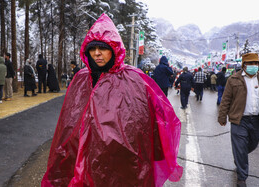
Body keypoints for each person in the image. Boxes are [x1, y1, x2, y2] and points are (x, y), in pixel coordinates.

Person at [41, 13, 182, 187]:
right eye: (92, 49)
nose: (97, 53)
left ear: (114, 49)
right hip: (82, 154)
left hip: (121, 158)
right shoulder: (81, 78)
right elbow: (68, 122)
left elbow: (149, 118)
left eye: (102, 48)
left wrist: (155, 152)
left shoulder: (133, 78)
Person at [218, 53, 259, 187]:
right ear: (244, 65)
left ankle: (239, 158)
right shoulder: (233, 79)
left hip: (256, 119)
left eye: (255, 63)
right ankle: (242, 177)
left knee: (254, 143)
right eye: (250, 63)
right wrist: (222, 117)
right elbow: (226, 100)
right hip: (239, 120)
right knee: (240, 147)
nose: (253, 66)